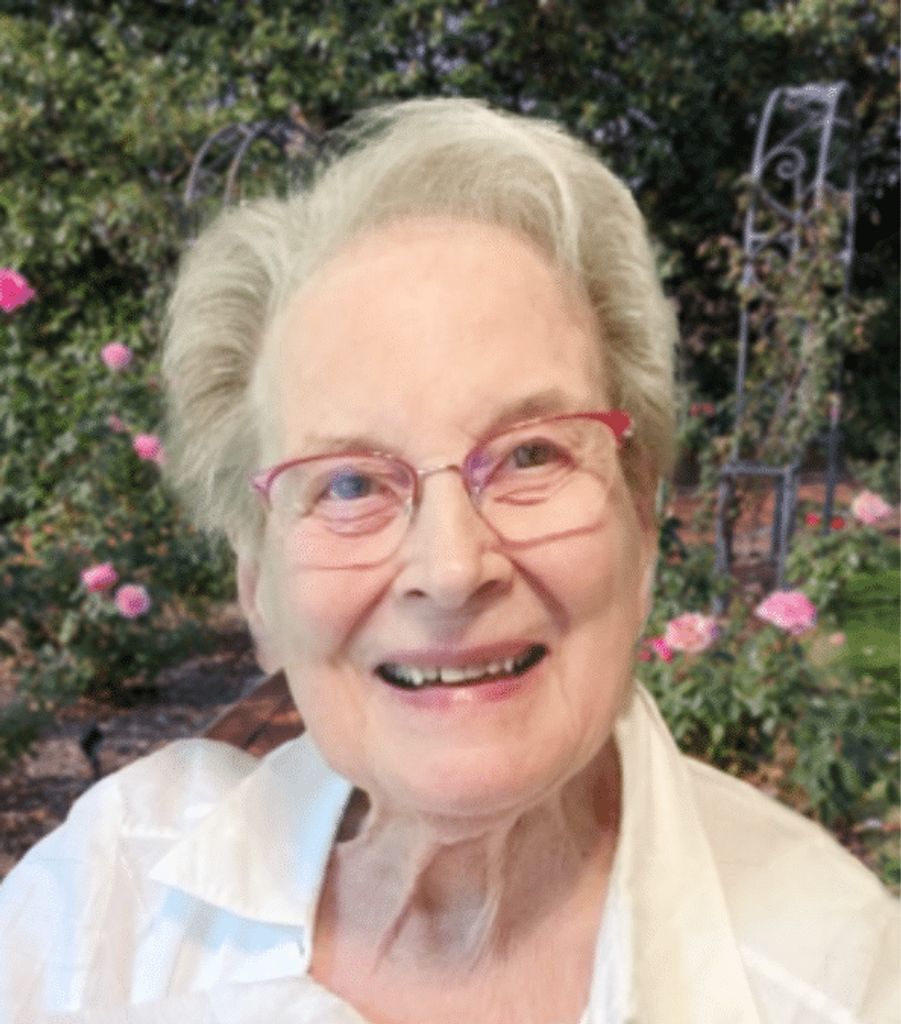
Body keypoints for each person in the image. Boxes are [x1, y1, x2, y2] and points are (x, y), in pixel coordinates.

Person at [0, 97, 896, 1024]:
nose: (453, 567)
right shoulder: (104, 909)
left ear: (638, 522)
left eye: (531, 455)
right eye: (348, 483)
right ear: (258, 586)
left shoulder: (839, 983)